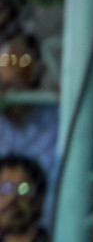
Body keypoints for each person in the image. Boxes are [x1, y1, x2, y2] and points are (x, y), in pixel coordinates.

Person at [0, 34, 58, 225]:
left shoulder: (56, 119)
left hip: (42, 230)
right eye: (2, 86)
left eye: (13, 86)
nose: (7, 94)